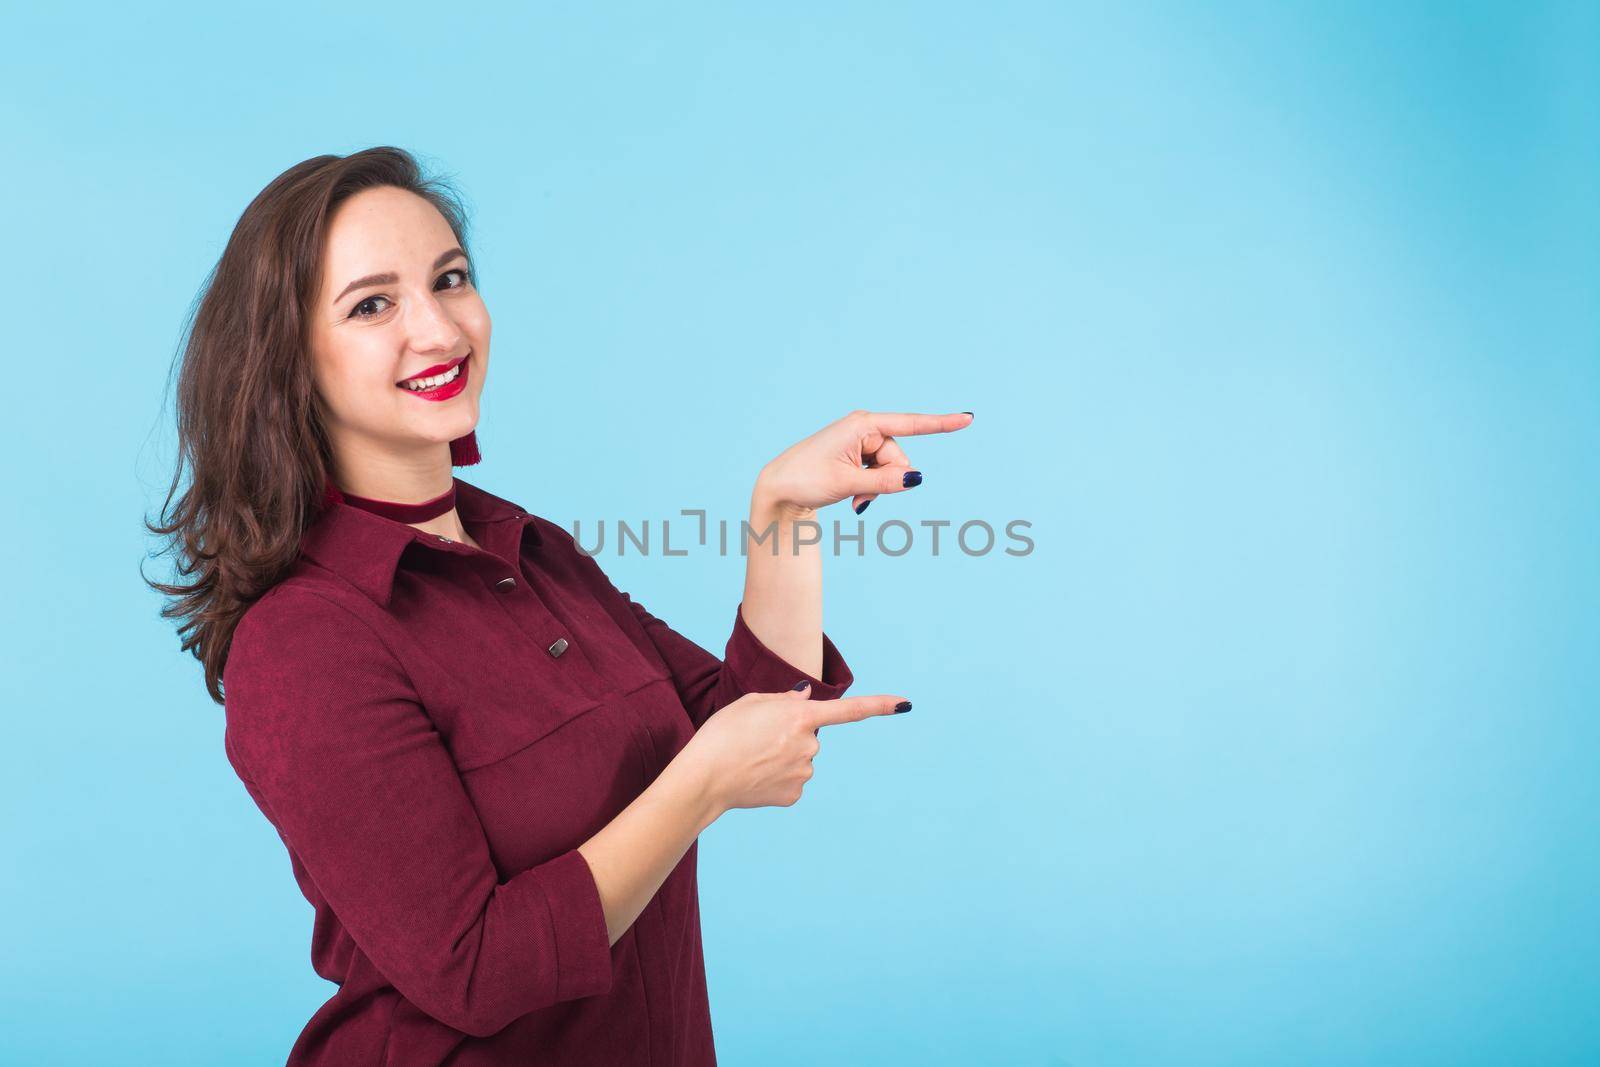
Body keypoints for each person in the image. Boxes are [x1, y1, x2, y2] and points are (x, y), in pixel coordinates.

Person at [145, 146, 971, 1066]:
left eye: (450, 279)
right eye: (372, 304)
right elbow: (475, 968)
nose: (437, 327)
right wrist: (701, 787)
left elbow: (750, 724)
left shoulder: (528, 547)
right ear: (289, 358)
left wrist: (781, 511)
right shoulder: (305, 642)